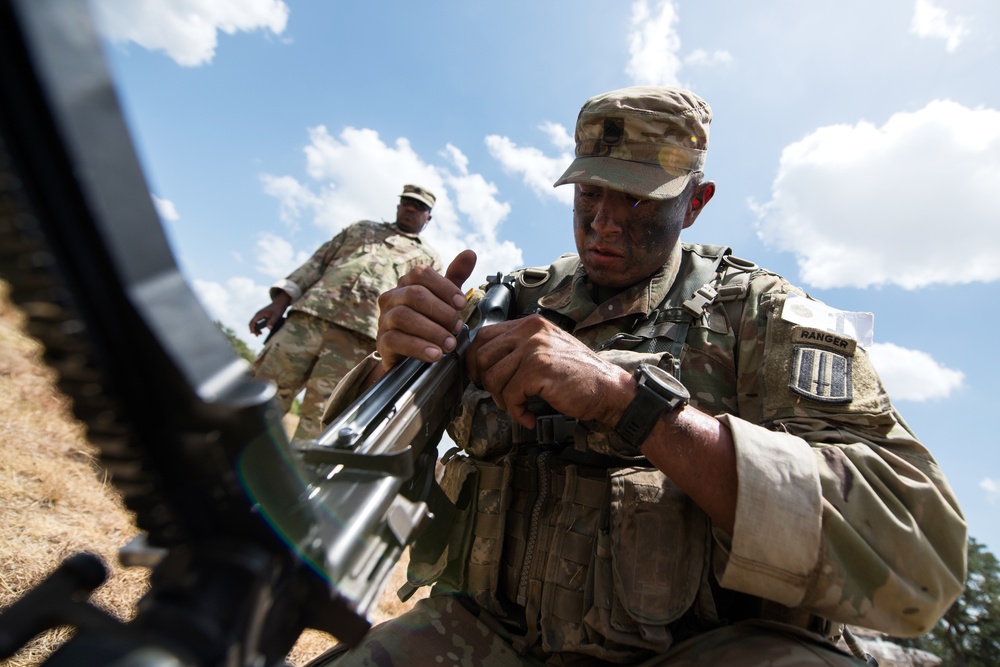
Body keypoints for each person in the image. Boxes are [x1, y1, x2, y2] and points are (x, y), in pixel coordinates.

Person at [308, 88, 967, 666]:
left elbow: (921, 558)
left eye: (639, 199)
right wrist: (391, 369)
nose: (604, 221)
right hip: (492, 640)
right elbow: (351, 486)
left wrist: (638, 405)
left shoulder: (766, 318)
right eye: (591, 192)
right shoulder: (509, 303)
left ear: (696, 202)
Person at [248, 184, 442, 440]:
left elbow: (417, 309)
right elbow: (317, 263)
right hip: (307, 320)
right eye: (407, 202)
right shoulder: (362, 229)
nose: (411, 208)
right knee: (260, 395)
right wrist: (279, 302)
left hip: (359, 341)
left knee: (321, 421)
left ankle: (296, 478)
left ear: (428, 217)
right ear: (398, 205)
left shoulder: (428, 260)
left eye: (419, 207)